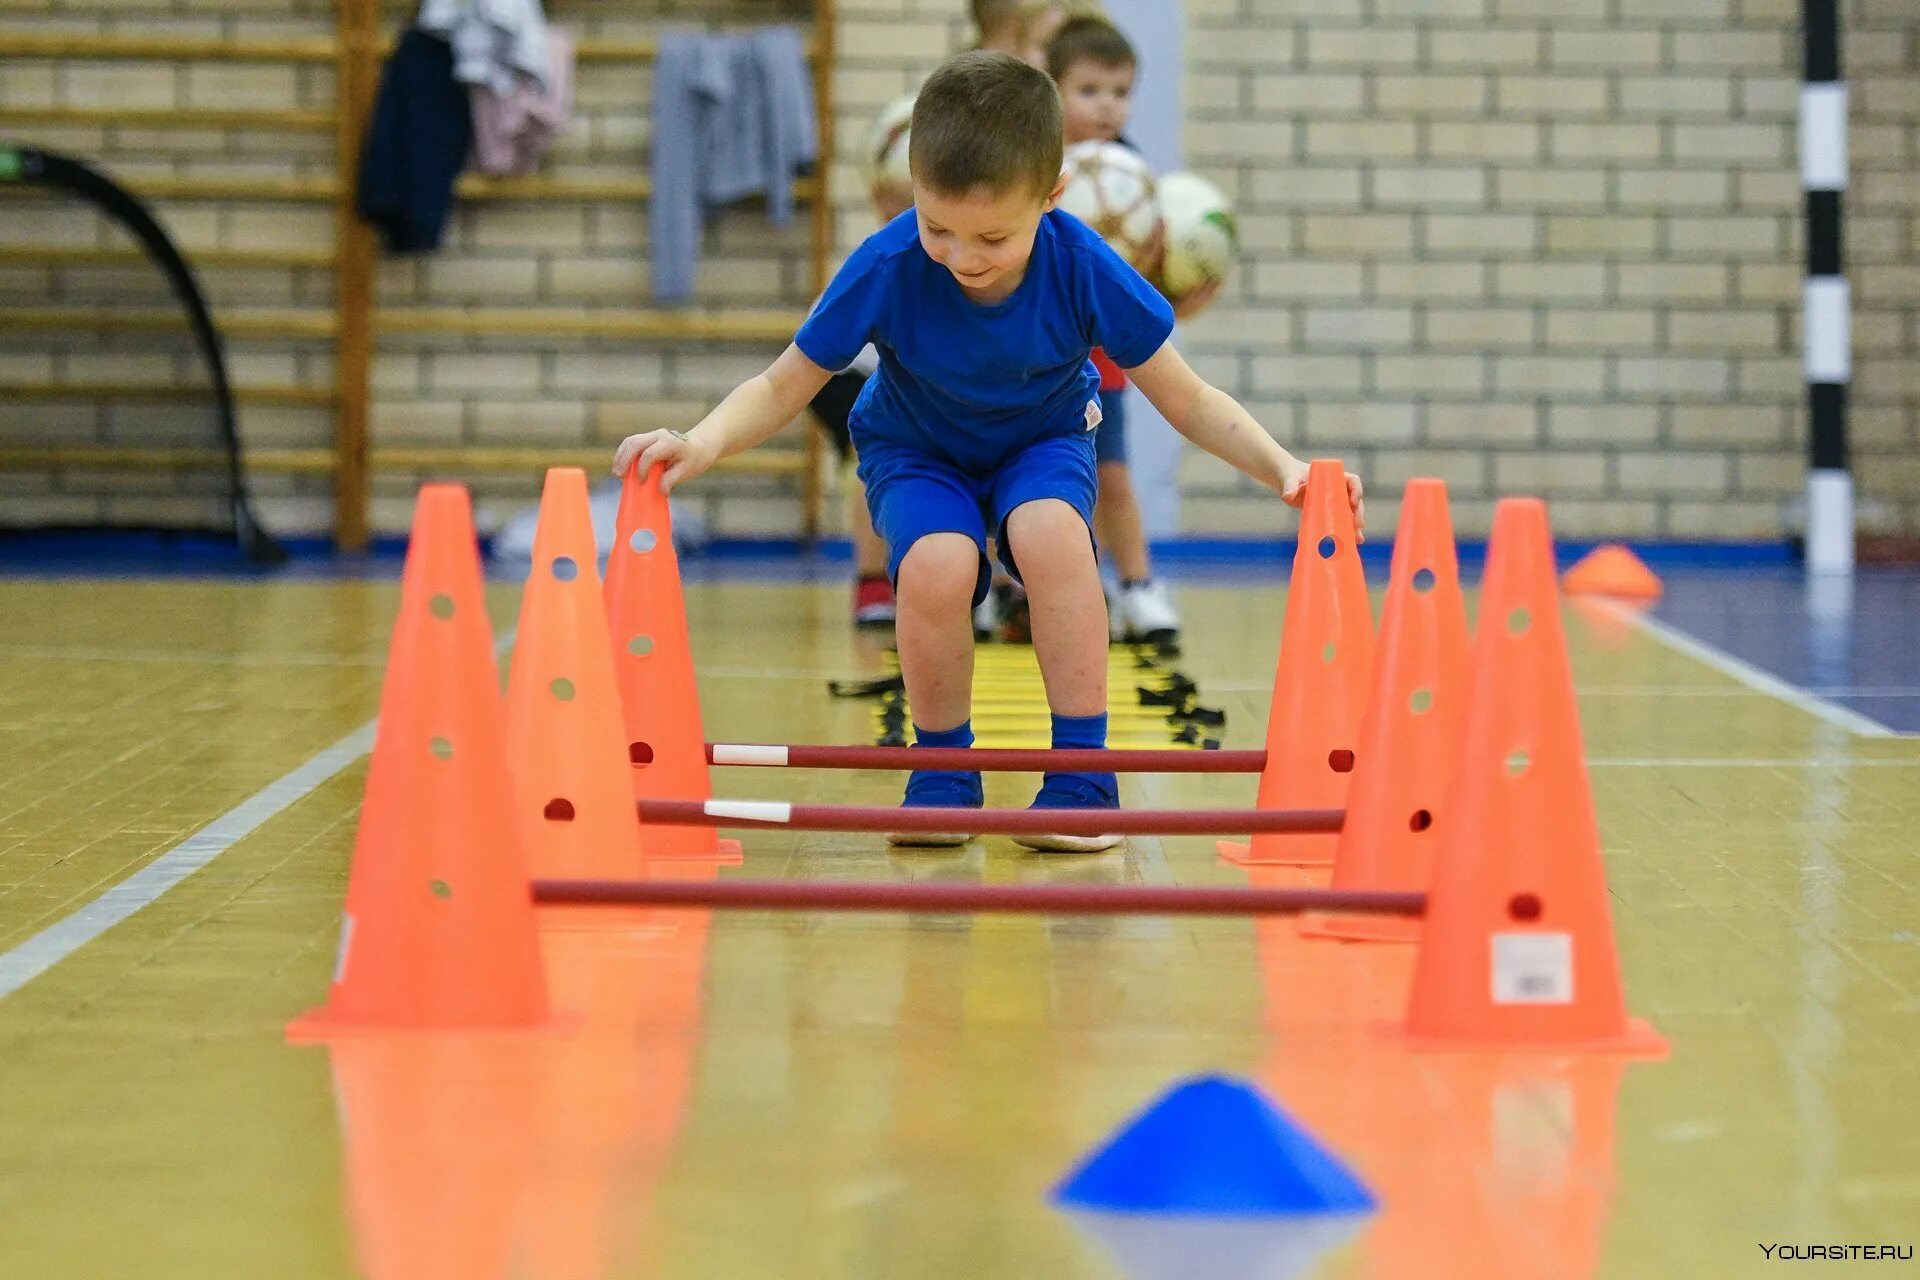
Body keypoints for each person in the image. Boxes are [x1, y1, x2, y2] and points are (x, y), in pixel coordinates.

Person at [611, 52, 1363, 852]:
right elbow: (781, 385)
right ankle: (941, 769)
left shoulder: (1083, 266)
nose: (963, 257)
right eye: (939, 227)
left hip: (1040, 441)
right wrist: (699, 440)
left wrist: (1284, 465)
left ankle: (1082, 773)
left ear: (1052, 198)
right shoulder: (890, 263)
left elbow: (1190, 399)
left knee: (1051, 537)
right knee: (935, 565)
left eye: (993, 237)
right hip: (914, 447)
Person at [1049, 16, 1220, 644]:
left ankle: (1139, 586)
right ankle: (1006, 590)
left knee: (1111, 473)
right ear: (1054, 89)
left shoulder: (1134, 174)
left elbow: (1146, 273)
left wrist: (1182, 293)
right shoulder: (1033, 163)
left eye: (1120, 92)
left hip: (1101, 352)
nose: (1106, 106)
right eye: (1090, 89)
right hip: (1035, 346)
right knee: (1018, 472)